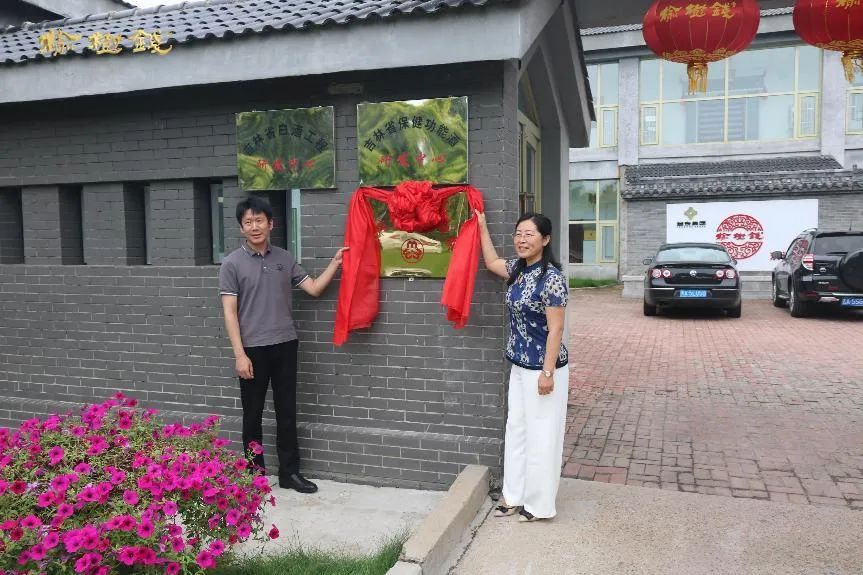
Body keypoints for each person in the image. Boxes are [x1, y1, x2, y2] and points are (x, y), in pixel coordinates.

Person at [219, 196, 347, 493]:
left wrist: (335, 264)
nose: (254, 227)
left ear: (271, 224)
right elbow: (229, 312)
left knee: (287, 412)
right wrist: (239, 355)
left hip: (286, 344)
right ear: (241, 228)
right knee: (252, 415)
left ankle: (290, 473)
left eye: (259, 220)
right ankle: (254, 476)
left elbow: (313, 288)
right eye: (248, 222)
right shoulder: (232, 264)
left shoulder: (284, 259)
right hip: (252, 349)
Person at [476, 211, 569, 522]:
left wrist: (547, 373)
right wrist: (482, 226)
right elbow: (491, 262)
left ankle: (539, 505)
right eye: (518, 233)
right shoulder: (517, 269)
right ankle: (513, 495)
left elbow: (556, 329)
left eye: (529, 234)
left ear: (545, 239)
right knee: (516, 430)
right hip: (518, 364)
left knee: (542, 435)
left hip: (544, 368)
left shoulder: (551, 278)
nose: (522, 239)